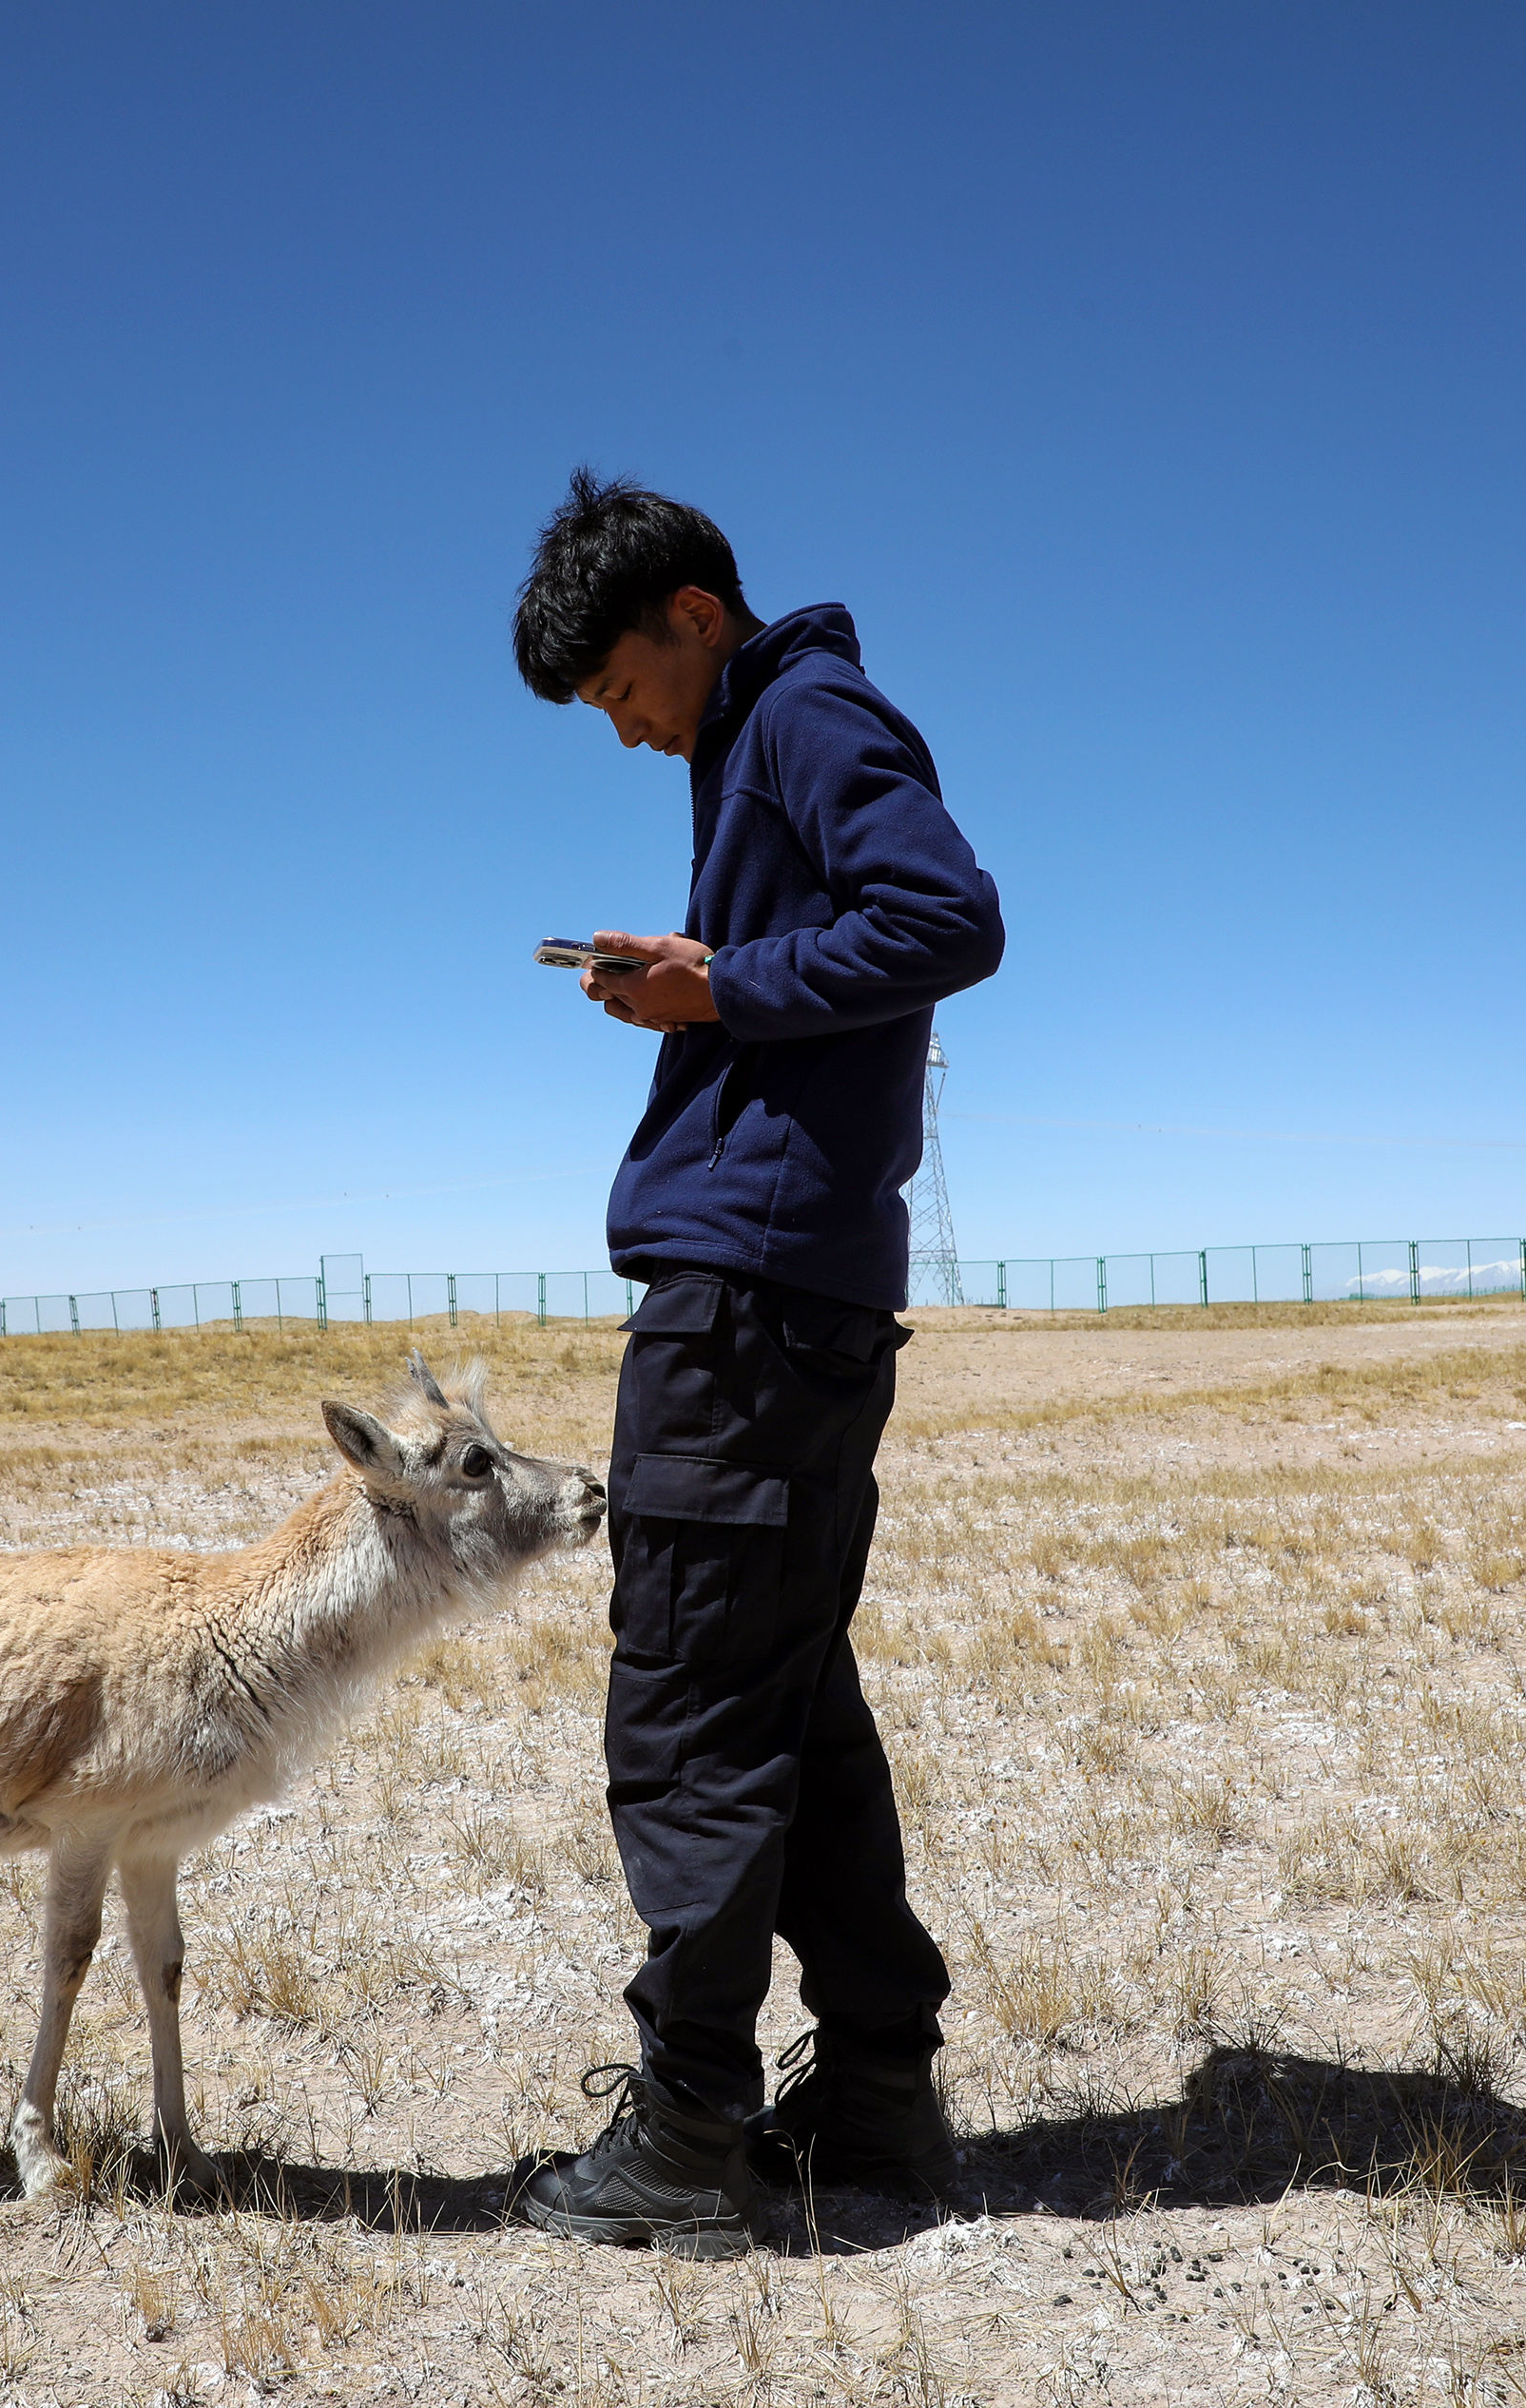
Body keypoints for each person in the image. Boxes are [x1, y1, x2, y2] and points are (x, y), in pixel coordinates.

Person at [508, 470, 1005, 2257]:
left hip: (750, 1307)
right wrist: (700, 973)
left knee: (694, 1704)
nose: (629, 731)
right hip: (798, 1296)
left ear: (694, 618)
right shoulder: (763, 740)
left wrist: (718, 991)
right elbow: (833, 948)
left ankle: (692, 2129)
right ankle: (874, 2099)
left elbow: (950, 917)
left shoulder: (798, 711)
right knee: (790, 1704)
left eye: (624, 691)